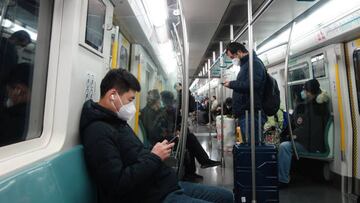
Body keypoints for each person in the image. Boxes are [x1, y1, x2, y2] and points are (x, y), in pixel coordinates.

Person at [80, 69, 234, 203]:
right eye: (130, 100)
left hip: (161, 185)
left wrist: (153, 153)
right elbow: (118, 184)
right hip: (152, 197)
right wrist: (154, 157)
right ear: (113, 95)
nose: (132, 106)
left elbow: (135, 155)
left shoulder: (116, 122)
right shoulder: (98, 132)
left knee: (226, 197)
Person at [141, 89, 222, 181]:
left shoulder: (153, 111)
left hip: (162, 138)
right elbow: (154, 132)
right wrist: (171, 134)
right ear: (155, 101)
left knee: (187, 139)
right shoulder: (148, 113)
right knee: (189, 138)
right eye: (159, 101)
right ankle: (201, 163)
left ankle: (193, 171)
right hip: (158, 142)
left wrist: (173, 132)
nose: (160, 103)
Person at [278, 79, 330, 187]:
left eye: (305, 91)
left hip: (311, 144)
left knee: (284, 146)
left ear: (309, 92)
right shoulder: (311, 105)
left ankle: (283, 180)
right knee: (284, 141)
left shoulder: (316, 108)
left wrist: (292, 136)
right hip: (308, 141)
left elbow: (309, 130)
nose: (304, 93)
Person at [223, 42, 266, 144]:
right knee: (248, 144)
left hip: (251, 113)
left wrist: (232, 84)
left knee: (252, 146)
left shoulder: (254, 64)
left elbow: (252, 85)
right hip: (245, 112)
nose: (233, 59)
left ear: (239, 52)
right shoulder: (246, 65)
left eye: (232, 56)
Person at [0, 63, 32, 147]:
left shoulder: (7, 120)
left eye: (8, 89)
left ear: (18, 90)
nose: (8, 94)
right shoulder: (41, 116)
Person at [0, 30, 31, 107]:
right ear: (16, 39)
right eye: (22, 46)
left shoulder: (3, 44)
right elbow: (6, 73)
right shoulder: (11, 52)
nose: (21, 48)